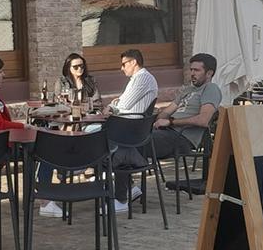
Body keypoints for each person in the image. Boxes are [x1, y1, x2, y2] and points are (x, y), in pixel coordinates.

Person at [112, 53, 221, 212]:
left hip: (182, 138)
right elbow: (166, 112)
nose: (192, 73)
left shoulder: (211, 89)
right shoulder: (188, 90)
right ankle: (129, 188)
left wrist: (170, 122)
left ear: (209, 73)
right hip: (166, 133)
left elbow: (203, 120)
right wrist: (158, 120)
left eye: (197, 70)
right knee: (121, 138)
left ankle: (122, 198)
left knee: (128, 144)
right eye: (191, 70)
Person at [37, 54, 103, 218]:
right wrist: (82, 105)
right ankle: (70, 169)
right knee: (57, 143)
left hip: (86, 121)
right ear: (68, 68)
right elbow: (62, 104)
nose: (80, 69)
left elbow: (98, 102)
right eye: (76, 67)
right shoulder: (63, 82)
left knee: (98, 132)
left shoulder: (90, 80)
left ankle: (84, 168)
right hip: (65, 122)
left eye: (82, 65)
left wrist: (82, 106)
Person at [108, 49, 157, 116]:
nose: (122, 68)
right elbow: (122, 100)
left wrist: (112, 106)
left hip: (131, 122)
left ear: (133, 62)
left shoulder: (143, 78)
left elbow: (125, 104)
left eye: (123, 64)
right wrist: (114, 104)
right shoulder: (136, 78)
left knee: (93, 126)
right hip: (125, 120)